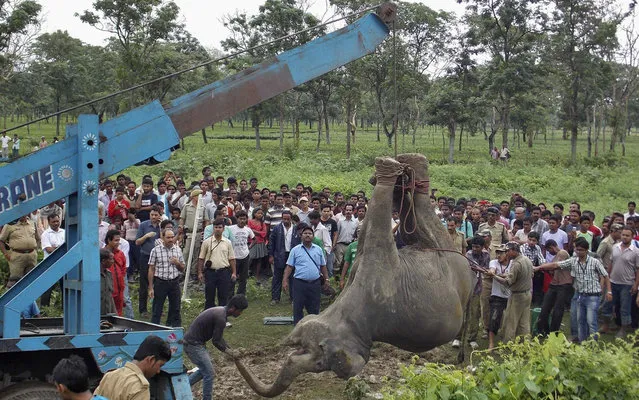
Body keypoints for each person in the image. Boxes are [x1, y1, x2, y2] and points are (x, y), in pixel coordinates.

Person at [535, 237, 612, 342]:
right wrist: (539, 267)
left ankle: (593, 342)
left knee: (591, 321)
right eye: (577, 249)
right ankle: (581, 340)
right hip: (580, 294)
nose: (578, 252)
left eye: (581, 250)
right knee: (580, 320)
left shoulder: (594, 261)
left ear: (586, 250)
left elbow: (605, 275)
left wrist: (608, 291)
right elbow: (555, 265)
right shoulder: (573, 261)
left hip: (593, 295)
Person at [183, 294, 248, 400]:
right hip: (193, 344)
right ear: (233, 308)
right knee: (209, 373)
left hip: (194, 343)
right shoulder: (221, 318)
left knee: (205, 370)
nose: (240, 313)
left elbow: (219, 338)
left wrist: (230, 349)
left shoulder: (221, 311)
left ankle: (182, 386)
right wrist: (229, 352)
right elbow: (216, 341)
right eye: (240, 311)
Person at [94, 335, 171, 400]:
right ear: (151, 359)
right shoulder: (140, 388)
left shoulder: (110, 376)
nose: (158, 371)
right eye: (160, 365)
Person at [486, 241, 533, 343]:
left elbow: (508, 283)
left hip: (517, 296)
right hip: (527, 294)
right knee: (524, 322)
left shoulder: (516, 264)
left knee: (511, 321)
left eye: (507, 251)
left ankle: (507, 344)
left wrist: (494, 276)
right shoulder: (527, 260)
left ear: (513, 251)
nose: (506, 254)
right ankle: (526, 343)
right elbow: (531, 274)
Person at [283, 225, 329, 324]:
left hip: (315, 283)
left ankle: (313, 327)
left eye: (310, 233)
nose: (307, 235)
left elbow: (323, 266)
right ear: (301, 236)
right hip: (299, 283)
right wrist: (285, 280)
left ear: (313, 236)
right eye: (305, 233)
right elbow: (289, 266)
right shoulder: (295, 250)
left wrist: (327, 279)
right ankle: (297, 330)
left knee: (314, 307)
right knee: (298, 307)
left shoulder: (318, 249)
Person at [600, 226, 639, 337]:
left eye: (627, 235)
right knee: (608, 305)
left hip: (627, 284)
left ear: (632, 237)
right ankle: (605, 325)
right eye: (623, 235)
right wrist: (606, 278)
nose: (625, 237)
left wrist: (636, 285)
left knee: (624, 308)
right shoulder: (615, 247)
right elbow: (611, 264)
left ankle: (623, 329)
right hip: (612, 282)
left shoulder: (636, 252)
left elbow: (638, 270)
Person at [148, 228, 185, 327]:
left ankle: (174, 328)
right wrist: (151, 287)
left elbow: (182, 268)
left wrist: (177, 263)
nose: (171, 239)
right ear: (162, 237)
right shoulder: (155, 250)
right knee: (157, 308)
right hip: (161, 282)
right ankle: (155, 329)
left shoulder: (178, 250)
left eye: (172, 237)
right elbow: (151, 269)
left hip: (174, 282)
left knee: (176, 307)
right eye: (168, 237)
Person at [198, 218, 236, 309]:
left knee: (223, 296)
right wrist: (199, 272)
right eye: (216, 227)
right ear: (213, 228)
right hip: (210, 272)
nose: (218, 229)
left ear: (223, 229)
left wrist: (234, 272)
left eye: (220, 227)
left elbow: (232, 258)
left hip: (224, 272)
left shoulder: (228, 242)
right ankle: (209, 318)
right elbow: (201, 258)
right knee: (209, 296)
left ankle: (223, 318)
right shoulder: (206, 242)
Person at [536, 239, 571, 337]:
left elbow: (555, 266)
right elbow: (552, 270)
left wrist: (540, 267)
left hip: (563, 285)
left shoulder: (562, 253)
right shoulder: (554, 258)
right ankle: (544, 330)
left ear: (551, 247)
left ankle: (554, 333)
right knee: (545, 308)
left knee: (558, 310)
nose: (549, 253)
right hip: (554, 284)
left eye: (549, 250)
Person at [268, 210, 300, 304]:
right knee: (277, 276)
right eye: (284, 219)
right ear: (282, 218)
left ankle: (293, 298)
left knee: (293, 277)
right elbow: (271, 243)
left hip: (292, 255)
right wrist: (271, 255)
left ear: (291, 218)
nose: (286, 220)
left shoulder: (295, 228)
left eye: (288, 219)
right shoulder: (277, 228)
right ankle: (275, 298)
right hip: (279, 255)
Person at [0, 214, 40, 288]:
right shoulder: (9, 224)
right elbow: (1, 241)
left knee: (31, 280)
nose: (24, 215)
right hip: (17, 256)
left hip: (32, 256)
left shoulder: (32, 223)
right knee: (14, 282)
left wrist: (36, 250)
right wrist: (6, 254)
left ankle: (30, 299)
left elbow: (38, 238)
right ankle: (12, 298)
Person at [135, 206, 161, 317]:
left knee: (159, 283)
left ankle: (157, 308)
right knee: (144, 284)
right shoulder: (143, 225)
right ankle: (143, 310)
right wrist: (146, 236)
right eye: (152, 215)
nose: (154, 217)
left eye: (156, 215)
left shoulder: (161, 226)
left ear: (159, 215)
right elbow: (137, 242)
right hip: (145, 256)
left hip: (159, 258)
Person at [487, 244, 511, 350]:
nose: (498, 255)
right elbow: (492, 269)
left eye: (501, 253)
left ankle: (506, 341)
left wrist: (498, 275)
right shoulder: (494, 262)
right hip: (497, 295)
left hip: (511, 296)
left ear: (507, 254)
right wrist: (492, 272)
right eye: (497, 253)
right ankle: (491, 343)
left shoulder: (513, 264)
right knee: (493, 319)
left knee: (509, 320)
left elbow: (511, 275)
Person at [100, 248, 117, 315]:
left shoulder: (109, 274)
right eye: (111, 259)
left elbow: (110, 296)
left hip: (107, 314)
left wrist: (115, 313)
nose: (113, 261)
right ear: (103, 261)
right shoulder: (93, 277)